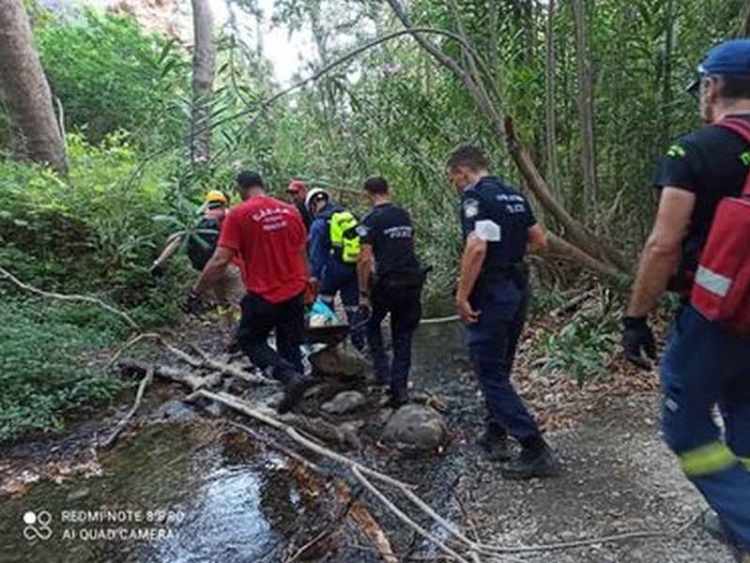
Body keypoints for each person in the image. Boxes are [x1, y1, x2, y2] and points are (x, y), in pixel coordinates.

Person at [622, 40, 750, 562]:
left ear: (712, 87)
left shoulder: (691, 151)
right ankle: (737, 518)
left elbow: (663, 244)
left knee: (685, 425)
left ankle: (744, 517)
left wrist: (635, 317)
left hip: (714, 315)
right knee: (745, 413)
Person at [448, 144, 558, 480]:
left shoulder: (475, 197)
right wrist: (509, 250)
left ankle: (533, 446)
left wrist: (462, 295)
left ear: (463, 171)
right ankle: (495, 434)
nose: (454, 183)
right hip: (517, 286)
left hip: (492, 290)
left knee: (488, 370)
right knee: (500, 365)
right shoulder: (513, 195)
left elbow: (476, 246)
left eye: (453, 177)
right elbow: (540, 240)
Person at [188, 171, 312, 413]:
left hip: (264, 294)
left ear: (240, 190)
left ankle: (290, 379)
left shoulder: (239, 214)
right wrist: (307, 283)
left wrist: (196, 292)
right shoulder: (290, 211)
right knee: (290, 344)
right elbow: (302, 252)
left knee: (249, 339)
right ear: (262, 185)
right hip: (294, 290)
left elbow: (219, 260)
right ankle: (298, 399)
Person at [356, 177, 424, 407]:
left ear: (368, 194)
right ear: (388, 190)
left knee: (372, 324)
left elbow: (364, 259)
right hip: (412, 281)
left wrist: (363, 292)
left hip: (388, 283)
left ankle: (382, 373)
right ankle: (400, 388)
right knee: (403, 334)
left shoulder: (370, 220)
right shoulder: (403, 215)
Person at [151, 190, 244, 343]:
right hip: (229, 266)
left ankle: (228, 338)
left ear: (207, 203)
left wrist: (158, 263)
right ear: (224, 202)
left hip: (209, 271)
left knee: (222, 304)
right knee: (239, 305)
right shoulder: (229, 215)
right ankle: (242, 340)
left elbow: (176, 240)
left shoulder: (196, 222)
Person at [306, 187, 366, 351]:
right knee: (353, 308)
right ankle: (361, 345)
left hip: (331, 270)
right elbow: (364, 238)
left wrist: (314, 276)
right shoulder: (348, 216)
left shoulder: (319, 223)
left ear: (312, 205)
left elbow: (316, 253)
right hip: (352, 268)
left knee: (324, 304)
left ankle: (330, 346)